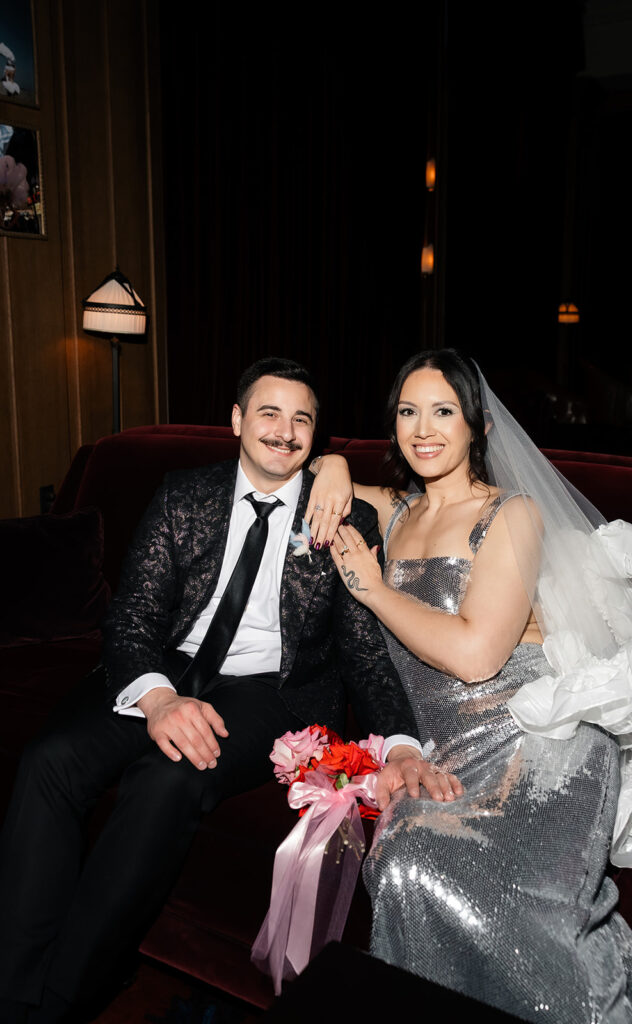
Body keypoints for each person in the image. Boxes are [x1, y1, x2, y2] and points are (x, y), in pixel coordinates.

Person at [0, 356, 462, 1024]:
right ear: (238, 420)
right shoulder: (183, 494)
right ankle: (14, 998)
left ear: (314, 435)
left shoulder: (343, 516)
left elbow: (364, 651)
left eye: (301, 418)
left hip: (271, 691)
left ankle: (64, 1000)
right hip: (167, 668)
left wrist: (398, 745)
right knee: (48, 762)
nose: (284, 430)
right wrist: (158, 698)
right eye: (268, 413)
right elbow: (132, 618)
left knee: (169, 778)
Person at [308, 348, 632, 1023]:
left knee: (416, 861)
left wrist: (372, 589)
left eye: (443, 411)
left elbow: (478, 655)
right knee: (396, 858)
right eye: (407, 412)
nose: (423, 429)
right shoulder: (393, 512)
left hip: (534, 741)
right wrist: (332, 462)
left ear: (477, 425)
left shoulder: (512, 514)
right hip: (441, 745)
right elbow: (307, 469)